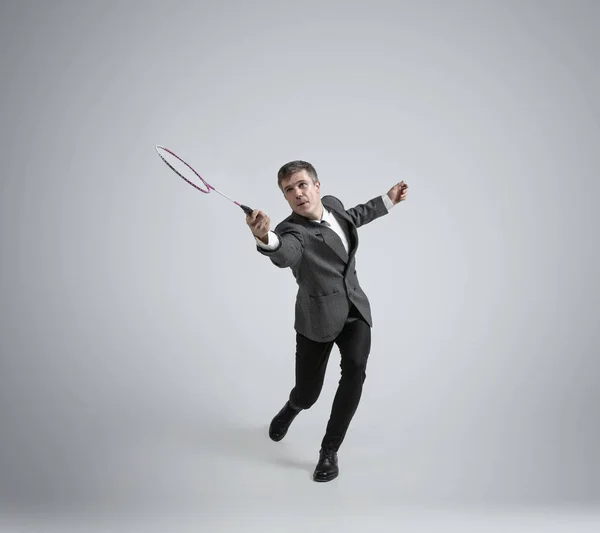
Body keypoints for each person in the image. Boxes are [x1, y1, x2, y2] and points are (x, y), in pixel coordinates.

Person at [246, 160, 408, 482]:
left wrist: (387, 200)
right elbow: (285, 253)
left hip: (354, 309)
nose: (297, 193)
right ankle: (293, 406)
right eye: (288, 190)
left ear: (317, 186)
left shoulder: (333, 205)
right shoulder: (291, 231)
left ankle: (329, 450)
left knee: (356, 371)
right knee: (309, 393)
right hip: (317, 318)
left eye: (302, 185)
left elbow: (355, 218)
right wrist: (266, 238)